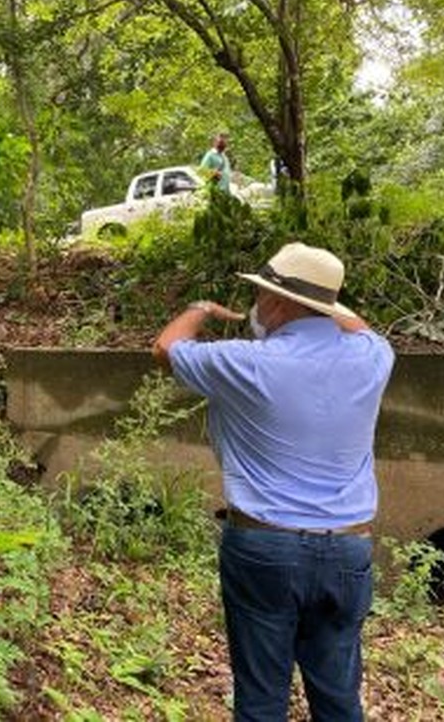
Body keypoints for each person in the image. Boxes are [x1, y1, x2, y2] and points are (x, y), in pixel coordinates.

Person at [152, 242, 394, 721]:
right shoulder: (374, 356)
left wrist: (200, 308)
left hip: (265, 549)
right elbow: (359, 327)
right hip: (349, 548)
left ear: (278, 303)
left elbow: (165, 347)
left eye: (260, 295)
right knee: (340, 697)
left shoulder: (245, 362)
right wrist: (326, 304)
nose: (254, 308)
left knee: (262, 698)